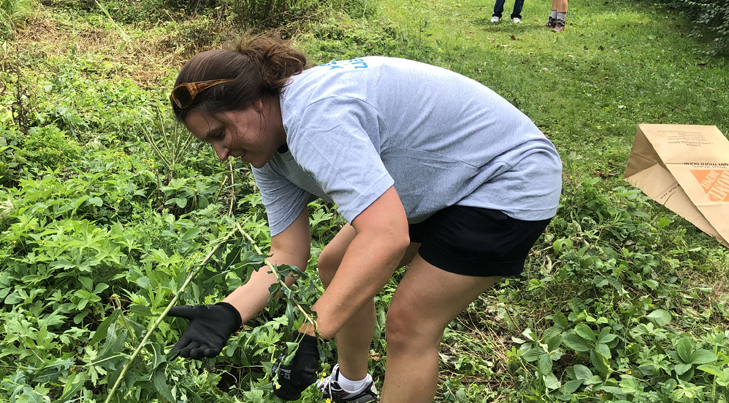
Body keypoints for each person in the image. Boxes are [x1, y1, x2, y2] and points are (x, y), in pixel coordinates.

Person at [166, 34, 562, 403]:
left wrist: (314, 330)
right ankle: (353, 387)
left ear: (255, 103)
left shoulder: (315, 118)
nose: (221, 152)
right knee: (335, 264)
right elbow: (287, 252)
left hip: (506, 175)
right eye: (210, 142)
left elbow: (386, 238)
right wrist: (228, 311)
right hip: (439, 179)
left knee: (409, 324)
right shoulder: (265, 147)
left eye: (221, 133)